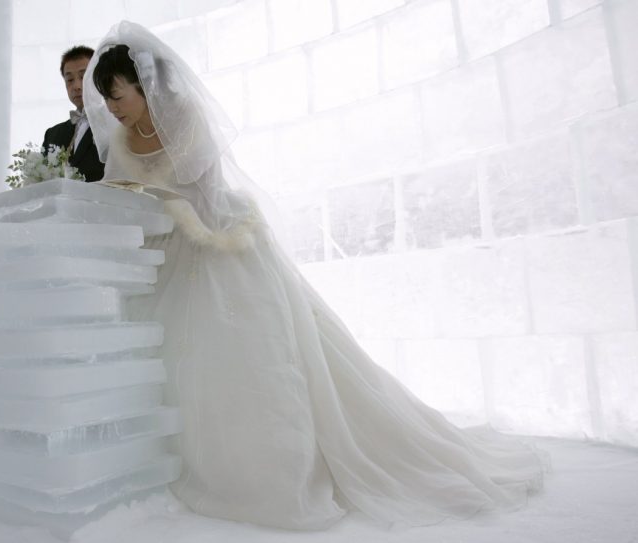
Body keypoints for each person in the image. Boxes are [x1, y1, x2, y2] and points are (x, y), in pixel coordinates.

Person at [84, 21, 547, 530]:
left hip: (217, 243)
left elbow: (202, 191)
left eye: (118, 96)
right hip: (168, 251)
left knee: (243, 356)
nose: (113, 108)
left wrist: (152, 197)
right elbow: (118, 190)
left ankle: (264, 471)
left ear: (145, 85)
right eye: (107, 101)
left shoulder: (187, 118)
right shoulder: (125, 135)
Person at [42, 46, 105, 182]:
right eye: (70, 80)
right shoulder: (52, 134)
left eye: (83, 77)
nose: (76, 86)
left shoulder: (115, 124)